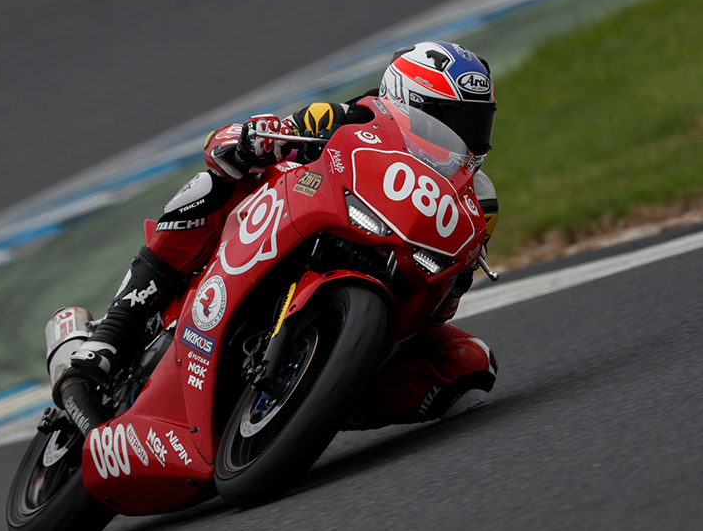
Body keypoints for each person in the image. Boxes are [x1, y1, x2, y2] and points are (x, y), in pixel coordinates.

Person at [67, 41, 499, 425]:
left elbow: (447, 299)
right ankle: (113, 333)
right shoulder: (344, 118)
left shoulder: (478, 201)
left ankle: (322, 398)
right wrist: (248, 143)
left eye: (476, 123)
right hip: (286, 228)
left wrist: (446, 282)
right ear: (407, 101)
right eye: (450, 120)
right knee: (214, 184)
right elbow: (237, 140)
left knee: (472, 367)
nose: (466, 137)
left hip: (386, 298)